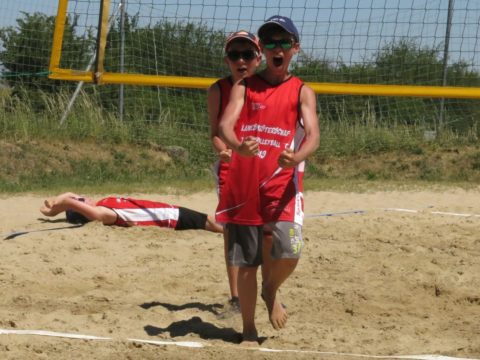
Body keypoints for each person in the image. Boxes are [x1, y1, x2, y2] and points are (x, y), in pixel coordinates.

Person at [216, 16, 320, 344]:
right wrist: (236, 146)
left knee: (291, 249)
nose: (277, 48)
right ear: (265, 49)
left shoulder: (302, 90)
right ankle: (248, 329)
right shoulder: (244, 86)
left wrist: (298, 156)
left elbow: (313, 135)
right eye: (271, 42)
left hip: (283, 186)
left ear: (295, 49)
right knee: (247, 262)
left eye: (283, 42)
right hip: (246, 185)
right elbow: (224, 126)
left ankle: (271, 289)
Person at [207, 30, 266, 312]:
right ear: (227, 59)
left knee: (267, 229)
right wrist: (224, 150)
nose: (241, 60)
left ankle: (263, 290)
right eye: (234, 55)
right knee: (232, 231)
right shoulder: (218, 89)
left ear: (259, 57)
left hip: (263, 166)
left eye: (247, 54)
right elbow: (215, 133)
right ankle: (236, 298)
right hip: (232, 166)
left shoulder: (268, 87)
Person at [40, 192, 223, 233]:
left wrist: (54, 207)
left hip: (169, 211)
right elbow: (70, 201)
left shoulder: (102, 203)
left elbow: (70, 197)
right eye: (81, 201)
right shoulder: (103, 212)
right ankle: (232, 231)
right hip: (170, 217)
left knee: (207, 220)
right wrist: (61, 204)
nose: (83, 197)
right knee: (207, 221)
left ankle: (232, 230)